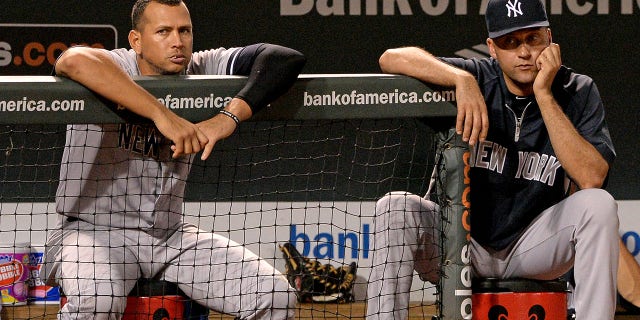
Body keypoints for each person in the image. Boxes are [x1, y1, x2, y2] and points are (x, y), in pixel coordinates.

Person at [42, 0, 306, 319]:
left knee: (275, 296)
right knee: (97, 301)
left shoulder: (201, 67)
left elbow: (284, 59)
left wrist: (227, 118)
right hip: (92, 232)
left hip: (169, 236)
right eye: (163, 31)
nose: (177, 41)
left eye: (185, 31)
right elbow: (73, 60)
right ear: (136, 40)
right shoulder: (118, 66)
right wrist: (162, 115)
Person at [366, 0, 618, 319]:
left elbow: (592, 178)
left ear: (550, 39)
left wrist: (544, 94)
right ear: (492, 48)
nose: (524, 52)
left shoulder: (576, 90)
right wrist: (461, 80)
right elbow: (391, 59)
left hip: (532, 247)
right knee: (395, 207)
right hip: (460, 242)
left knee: (599, 205)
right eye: (509, 42)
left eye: (533, 39)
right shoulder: (477, 77)